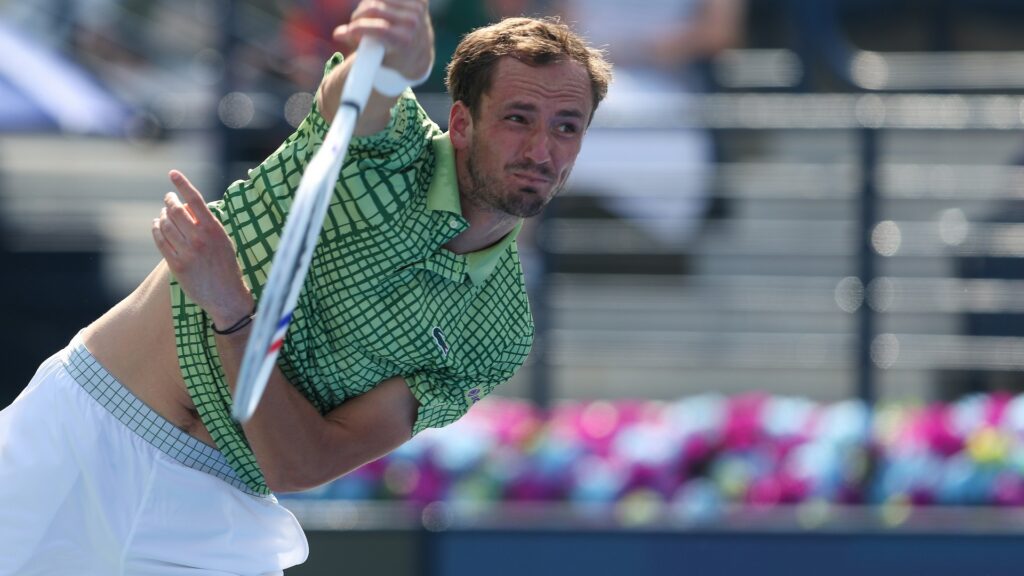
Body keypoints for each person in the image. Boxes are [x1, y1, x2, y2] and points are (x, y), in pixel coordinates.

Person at [0, 0, 612, 573]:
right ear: (459, 120)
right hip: (81, 429)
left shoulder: (500, 333)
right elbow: (365, 89)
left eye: (567, 127)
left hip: (218, 513)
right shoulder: (385, 144)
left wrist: (233, 310)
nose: (541, 149)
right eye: (516, 118)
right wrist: (405, 61)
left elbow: (302, 463)